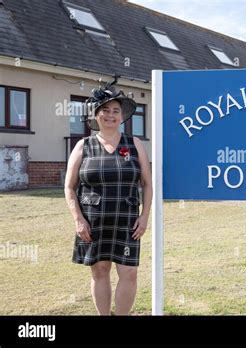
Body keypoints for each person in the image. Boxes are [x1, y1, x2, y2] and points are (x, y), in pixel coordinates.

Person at [64, 82, 152, 315]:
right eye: (105, 110)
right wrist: (78, 220)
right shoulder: (83, 146)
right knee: (100, 271)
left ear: (122, 116)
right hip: (93, 221)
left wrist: (144, 217)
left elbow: (147, 183)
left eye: (115, 111)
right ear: (96, 114)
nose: (110, 115)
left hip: (127, 220)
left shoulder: (134, 144)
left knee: (129, 272)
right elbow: (70, 187)